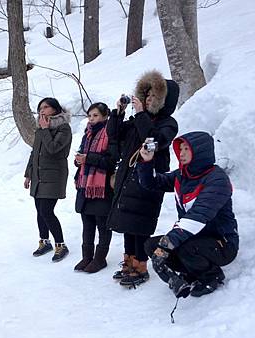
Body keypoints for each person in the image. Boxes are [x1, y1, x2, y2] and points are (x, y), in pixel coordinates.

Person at [138, 131, 239, 298]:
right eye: (180, 149)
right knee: (151, 245)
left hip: (222, 243)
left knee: (183, 248)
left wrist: (167, 245)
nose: (181, 153)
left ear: (200, 151)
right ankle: (190, 271)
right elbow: (152, 182)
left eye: (186, 149)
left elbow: (197, 216)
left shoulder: (217, 180)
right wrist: (147, 162)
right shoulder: (183, 175)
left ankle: (211, 276)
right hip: (193, 238)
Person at [106, 70, 179, 287]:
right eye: (145, 96)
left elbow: (156, 140)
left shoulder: (168, 123)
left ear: (162, 100)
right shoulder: (138, 119)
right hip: (128, 177)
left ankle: (141, 265)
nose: (146, 100)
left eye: (151, 97)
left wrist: (140, 115)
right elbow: (115, 135)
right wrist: (118, 113)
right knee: (126, 220)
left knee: (140, 222)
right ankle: (129, 261)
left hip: (148, 178)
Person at [24, 97, 72, 262]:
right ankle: (44, 241)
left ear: (55, 109)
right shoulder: (41, 129)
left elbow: (53, 149)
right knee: (39, 210)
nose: (42, 110)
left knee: (46, 211)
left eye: (45, 107)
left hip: (54, 176)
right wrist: (28, 174)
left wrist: (44, 130)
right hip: (39, 176)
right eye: (40, 108)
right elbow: (34, 153)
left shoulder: (64, 129)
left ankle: (61, 244)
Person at [73, 102, 117, 273]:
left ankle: (100, 259)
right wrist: (78, 160)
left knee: (102, 224)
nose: (92, 119)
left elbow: (111, 161)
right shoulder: (88, 133)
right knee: (87, 223)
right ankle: (86, 257)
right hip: (85, 185)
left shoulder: (110, 132)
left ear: (105, 116)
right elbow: (83, 153)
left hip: (102, 186)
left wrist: (88, 158)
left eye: (96, 116)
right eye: (90, 116)